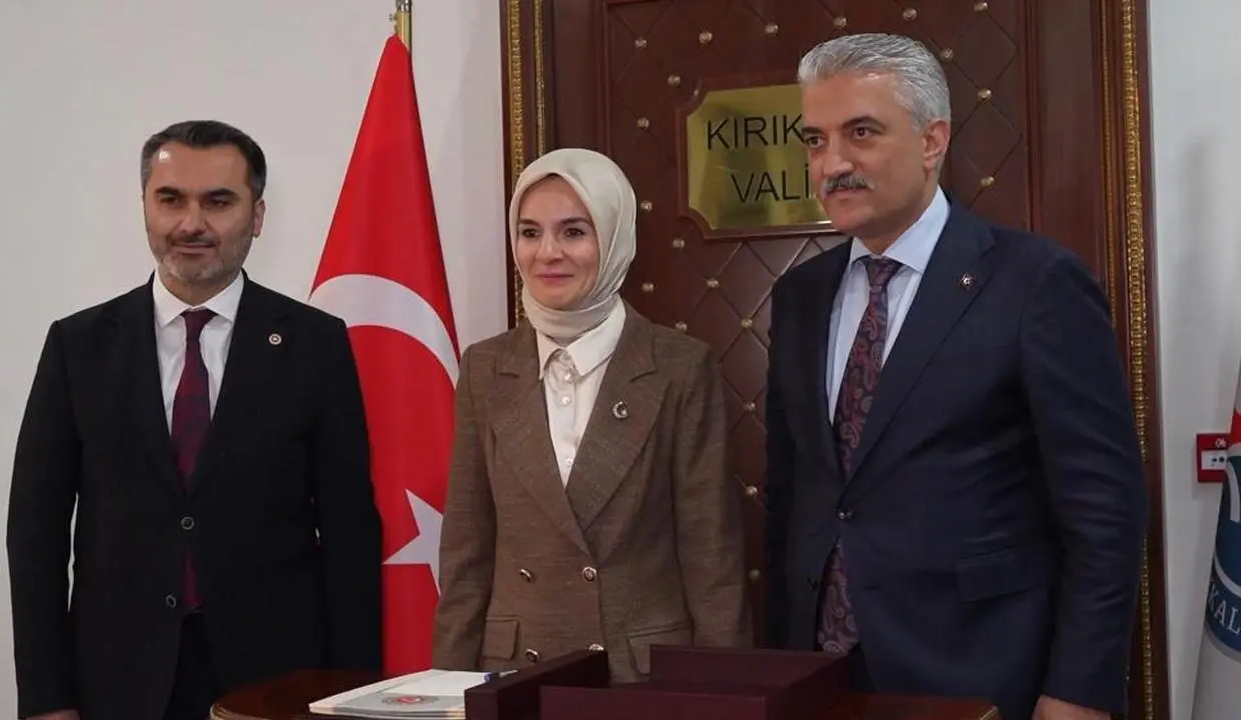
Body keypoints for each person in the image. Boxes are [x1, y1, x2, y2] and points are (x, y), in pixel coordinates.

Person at [763, 33, 1147, 720]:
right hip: (820, 675)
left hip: (981, 676)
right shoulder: (800, 296)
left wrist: (1078, 691)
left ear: (932, 140)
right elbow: (793, 498)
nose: (833, 163)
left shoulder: (1036, 282)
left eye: (861, 133)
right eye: (815, 140)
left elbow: (1104, 512)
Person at [6, 120, 383, 720]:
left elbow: (350, 537)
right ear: (145, 207)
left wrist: (353, 696)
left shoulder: (316, 345)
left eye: (218, 202)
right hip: (116, 682)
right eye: (171, 199)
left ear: (257, 216)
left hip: (276, 683)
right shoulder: (78, 347)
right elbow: (35, 536)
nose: (191, 224)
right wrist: (47, 701)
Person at [432, 147, 750, 681]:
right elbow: (466, 553)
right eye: (529, 232)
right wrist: (448, 691)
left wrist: (724, 696)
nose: (547, 253)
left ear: (615, 239)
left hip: (640, 682)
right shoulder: (485, 368)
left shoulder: (679, 366)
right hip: (515, 678)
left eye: (574, 232)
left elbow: (711, 559)